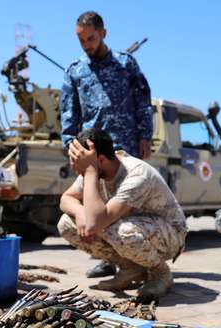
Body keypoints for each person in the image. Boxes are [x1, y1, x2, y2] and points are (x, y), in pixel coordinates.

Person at [61, 10, 153, 279]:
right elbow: (69, 113)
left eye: (91, 38)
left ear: (103, 33)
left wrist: (145, 135)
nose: (87, 44)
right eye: (82, 41)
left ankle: (138, 259)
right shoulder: (75, 71)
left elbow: (142, 102)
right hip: (94, 151)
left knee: (128, 203)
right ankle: (106, 259)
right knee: (95, 201)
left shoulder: (126, 64)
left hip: (126, 146)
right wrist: (71, 146)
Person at [57, 128, 187, 302]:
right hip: (132, 226)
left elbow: (96, 223)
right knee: (66, 223)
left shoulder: (137, 174)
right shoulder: (94, 167)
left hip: (170, 234)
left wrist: (90, 172)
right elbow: (66, 198)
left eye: (77, 162)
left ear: (100, 159)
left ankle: (160, 273)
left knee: (119, 230)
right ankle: (130, 268)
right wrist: (80, 212)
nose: (74, 167)